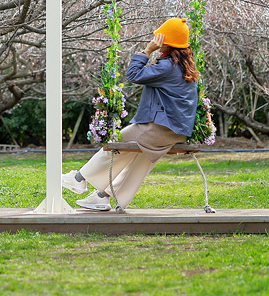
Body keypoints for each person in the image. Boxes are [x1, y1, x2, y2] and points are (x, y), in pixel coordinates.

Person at [62, 17, 199, 211]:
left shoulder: (167, 66)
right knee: (141, 162)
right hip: (176, 129)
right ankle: (103, 196)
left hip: (161, 127)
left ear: (166, 42)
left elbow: (134, 74)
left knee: (118, 144)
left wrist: (147, 50)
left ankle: (79, 179)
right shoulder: (183, 66)